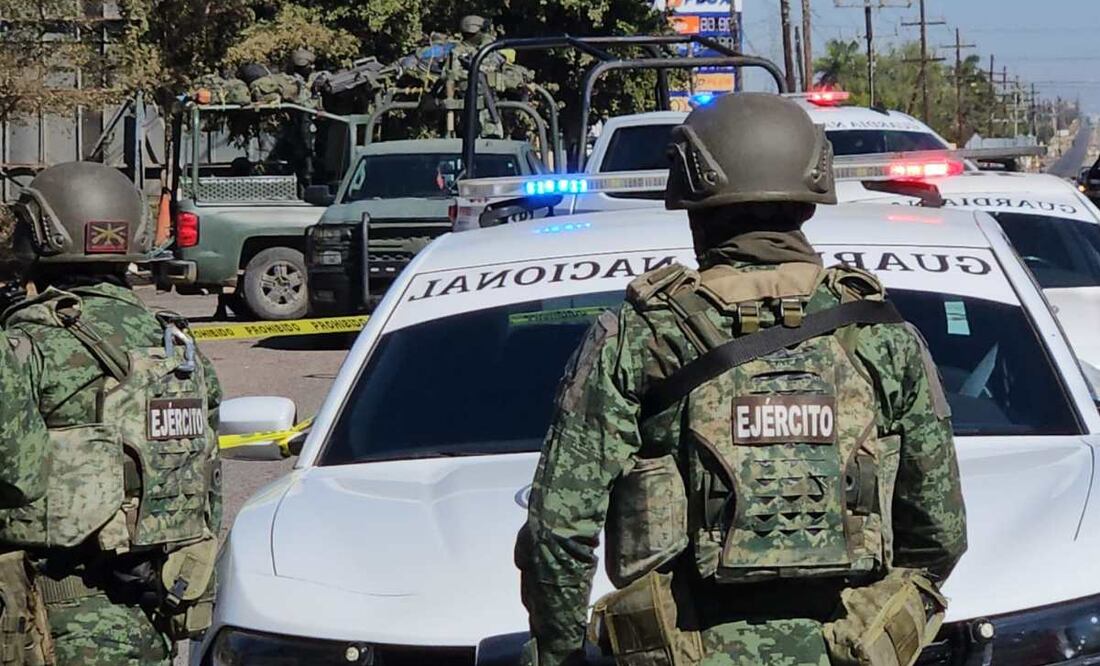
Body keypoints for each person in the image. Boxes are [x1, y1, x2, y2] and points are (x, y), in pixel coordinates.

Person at [515, 94, 967, 666]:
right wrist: (869, 632)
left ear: (691, 201)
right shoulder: (882, 334)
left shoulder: (642, 336)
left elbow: (557, 531)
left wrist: (559, 654)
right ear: (810, 197)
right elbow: (940, 531)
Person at [0, 162, 223, 665]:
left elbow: (16, 477)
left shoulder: (27, 347)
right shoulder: (179, 347)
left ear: (41, 236)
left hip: (48, 627)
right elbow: (207, 485)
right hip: (155, 618)